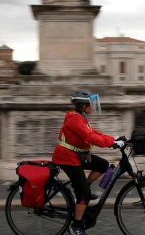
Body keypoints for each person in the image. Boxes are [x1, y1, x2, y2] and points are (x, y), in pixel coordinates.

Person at [52, 90, 124, 235]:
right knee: (84, 194)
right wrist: (112, 143)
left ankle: (83, 187)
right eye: (90, 104)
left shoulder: (80, 117)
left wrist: (114, 139)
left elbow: (94, 132)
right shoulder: (74, 119)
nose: (93, 107)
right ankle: (76, 226)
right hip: (67, 158)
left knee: (103, 165)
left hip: (77, 155)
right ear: (82, 105)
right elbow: (90, 136)